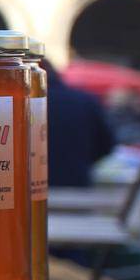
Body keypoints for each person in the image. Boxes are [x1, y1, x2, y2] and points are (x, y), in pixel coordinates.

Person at [47, 60, 116, 189]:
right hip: (77, 184)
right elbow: (107, 143)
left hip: (29, 190)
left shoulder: (23, 102)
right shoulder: (85, 100)